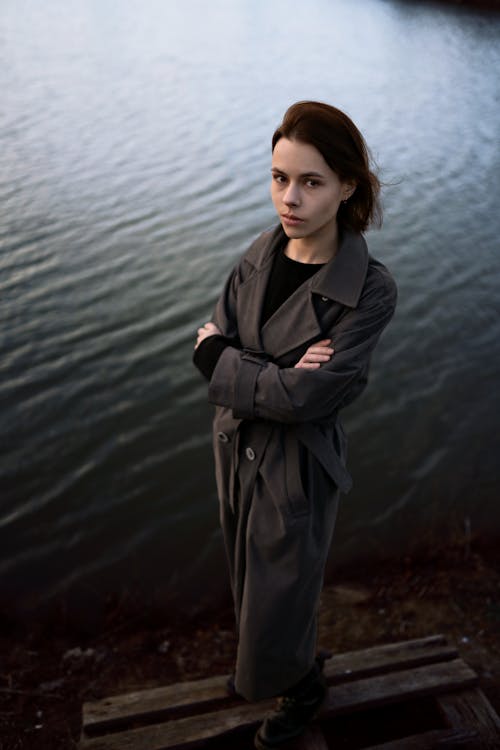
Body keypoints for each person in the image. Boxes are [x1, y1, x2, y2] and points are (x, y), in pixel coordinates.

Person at [193, 101, 397, 749]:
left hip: (298, 464)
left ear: (348, 187)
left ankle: (299, 685)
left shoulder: (369, 289)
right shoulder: (261, 249)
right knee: (248, 573)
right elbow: (206, 342)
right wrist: (266, 371)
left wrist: (228, 362)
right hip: (235, 443)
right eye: (279, 177)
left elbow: (311, 398)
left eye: (311, 182)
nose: (290, 197)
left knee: (285, 585)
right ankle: (266, 664)